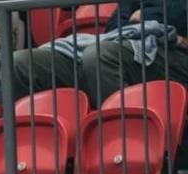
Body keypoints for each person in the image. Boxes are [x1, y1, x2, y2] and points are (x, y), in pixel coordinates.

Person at [13, 1, 188, 109]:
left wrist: (145, 15)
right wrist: (146, 23)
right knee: (21, 63)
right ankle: (36, 154)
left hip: (175, 56)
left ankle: (127, 148)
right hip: (130, 46)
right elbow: (115, 25)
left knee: (98, 55)